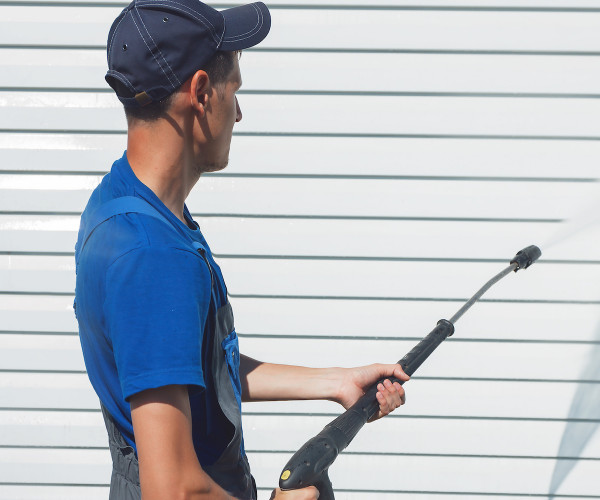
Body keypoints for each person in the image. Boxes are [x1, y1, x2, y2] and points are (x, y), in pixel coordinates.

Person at [73, 1, 409, 499]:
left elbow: (195, 363)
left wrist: (337, 381)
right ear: (202, 94)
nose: (241, 112)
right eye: (235, 92)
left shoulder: (125, 205)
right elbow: (175, 490)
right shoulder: (153, 255)